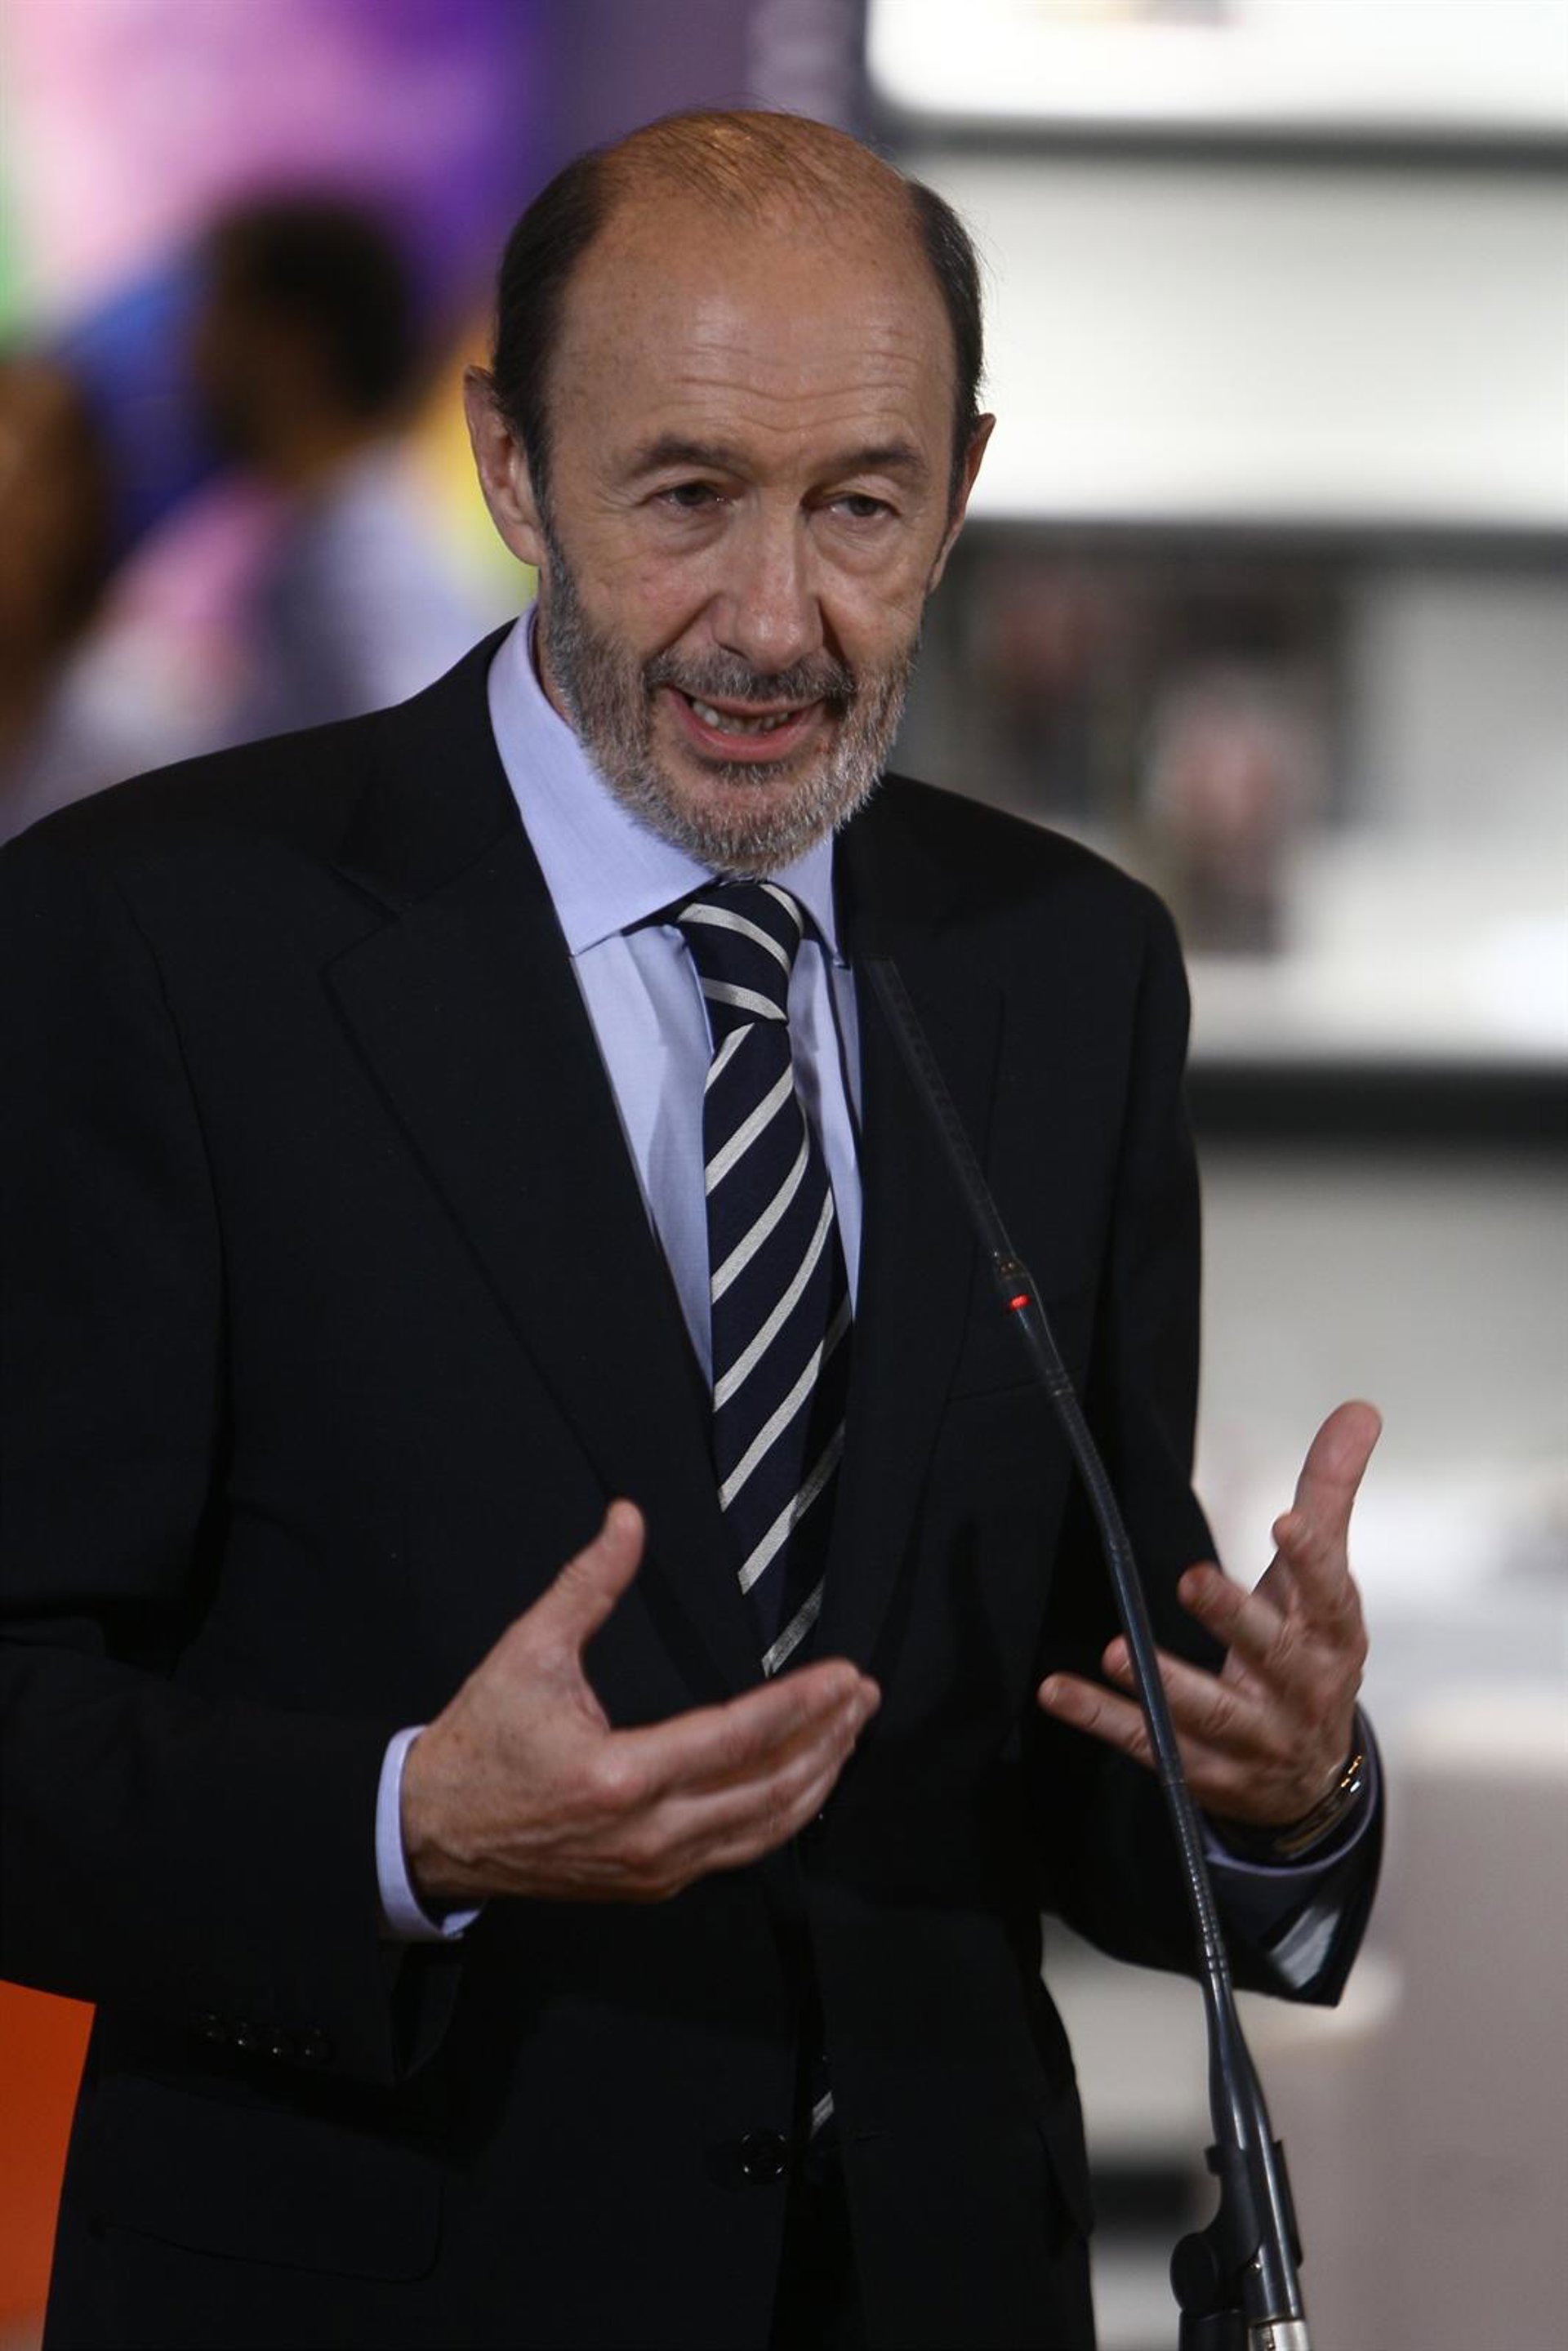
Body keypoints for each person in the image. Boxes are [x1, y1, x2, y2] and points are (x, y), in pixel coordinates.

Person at [0, 112, 1380, 2351]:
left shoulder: (1066, 967)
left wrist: (1279, 1785)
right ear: (513, 468)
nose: (772, 620)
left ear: (962, 485)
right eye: (684, 495)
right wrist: (407, 1821)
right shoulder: (155, 941)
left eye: (861, 506)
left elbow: (1056, 1707)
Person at [188, 192, 488, 742]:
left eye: (216, 314)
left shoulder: (360, 559)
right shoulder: (337, 540)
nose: (192, 353)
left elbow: (431, 755)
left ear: (290, 346)